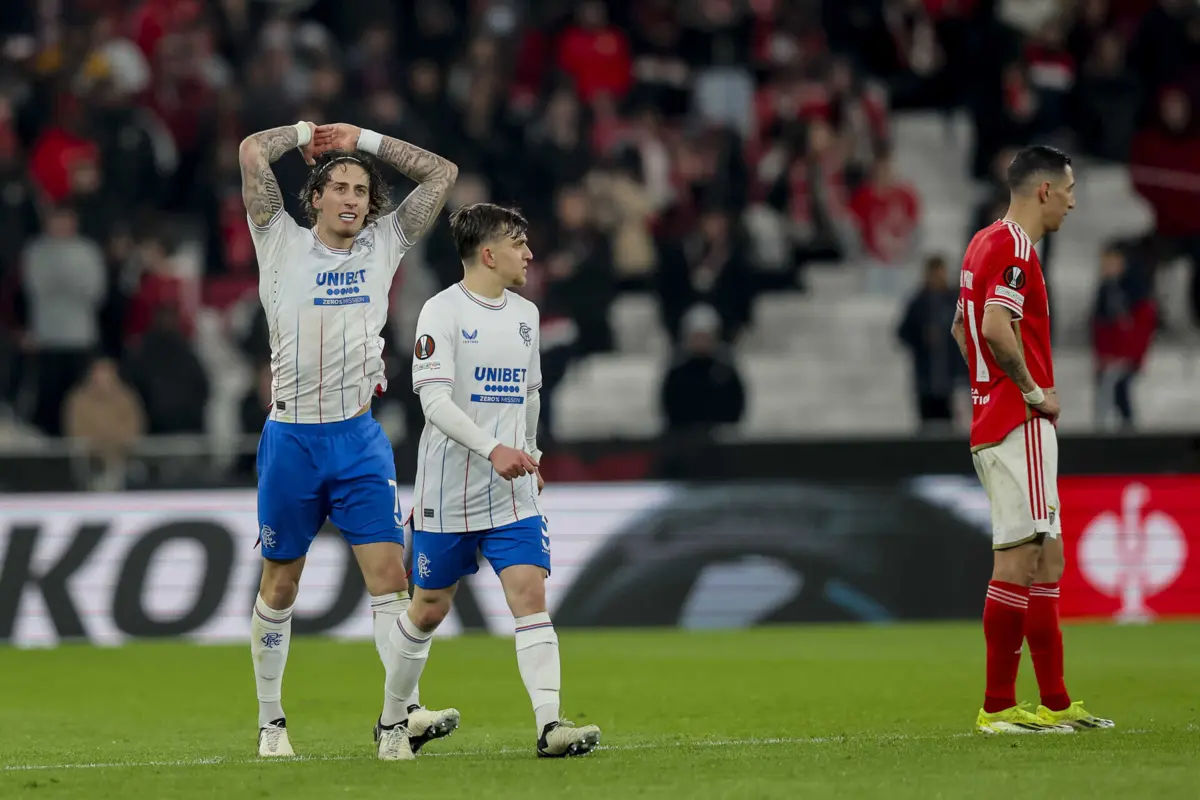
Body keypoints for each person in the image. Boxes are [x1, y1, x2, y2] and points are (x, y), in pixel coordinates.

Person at [240, 118, 461, 761]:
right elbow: (252, 152)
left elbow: (442, 173)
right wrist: (305, 131)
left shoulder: (383, 244)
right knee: (281, 584)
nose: (350, 198)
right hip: (292, 438)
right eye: (338, 187)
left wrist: (361, 140)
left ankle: (400, 720)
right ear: (314, 198)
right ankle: (271, 723)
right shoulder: (277, 238)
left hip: (359, 438)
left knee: (390, 580)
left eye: (361, 190)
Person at [388, 202, 603, 758]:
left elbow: (529, 394)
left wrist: (530, 452)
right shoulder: (441, 312)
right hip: (448, 491)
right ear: (488, 254)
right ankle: (393, 721)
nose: (529, 253)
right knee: (429, 608)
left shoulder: (526, 315)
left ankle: (550, 727)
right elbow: (433, 402)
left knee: (530, 595)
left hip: (511, 491)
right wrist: (494, 449)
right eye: (517, 243)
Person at [951, 145, 1114, 735]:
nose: (1072, 202)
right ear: (1044, 190)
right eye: (1068, 190)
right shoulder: (1016, 249)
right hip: (1017, 423)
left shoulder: (983, 241)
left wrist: (985, 389)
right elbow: (994, 327)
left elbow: (960, 328)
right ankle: (997, 707)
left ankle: (1055, 701)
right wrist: (1029, 390)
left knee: (1047, 558)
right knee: (1020, 558)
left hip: (998, 420)